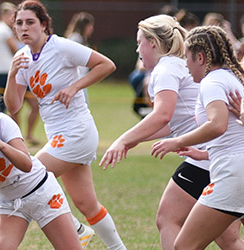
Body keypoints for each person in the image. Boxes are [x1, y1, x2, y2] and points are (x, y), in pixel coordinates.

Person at [99, 15, 243, 250]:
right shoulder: (226, 77)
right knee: (228, 239)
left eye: (139, 42)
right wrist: (135, 140)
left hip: (227, 169)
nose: (185, 64)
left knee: (172, 224)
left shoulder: (196, 77)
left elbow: (167, 116)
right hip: (216, 160)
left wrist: (172, 142)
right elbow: (172, 122)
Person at [4, 1, 126, 249]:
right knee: (87, 204)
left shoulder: (60, 46)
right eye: (19, 23)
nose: (24, 28)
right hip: (58, 135)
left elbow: (107, 64)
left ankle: (76, 230)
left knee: (30, 174)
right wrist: (11, 73)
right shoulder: (22, 57)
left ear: (44, 24)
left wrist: (74, 86)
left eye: (30, 22)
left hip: (77, 131)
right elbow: (13, 106)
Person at [0, 84, 82, 250]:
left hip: (41, 193)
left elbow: (26, 164)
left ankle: (78, 232)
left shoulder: (2, 122)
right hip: (8, 202)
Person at [150, 25, 244, 250]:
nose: (185, 65)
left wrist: (178, 141)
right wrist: (202, 153)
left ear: (200, 57)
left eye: (186, 58)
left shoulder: (212, 82)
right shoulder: (233, 78)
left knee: (184, 245)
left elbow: (218, 124)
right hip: (235, 169)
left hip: (233, 175)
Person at [0, 1, 40, 146]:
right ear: (4, 14)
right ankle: (18, 138)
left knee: (10, 107)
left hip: (3, 72)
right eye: (13, 17)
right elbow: (16, 50)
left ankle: (23, 137)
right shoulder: (4, 30)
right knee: (15, 107)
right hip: (9, 72)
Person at [64, 11, 96, 106]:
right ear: (83, 26)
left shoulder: (81, 40)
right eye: (90, 26)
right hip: (75, 80)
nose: (91, 29)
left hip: (81, 80)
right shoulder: (74, 40)